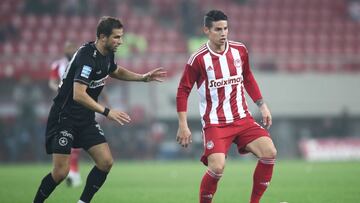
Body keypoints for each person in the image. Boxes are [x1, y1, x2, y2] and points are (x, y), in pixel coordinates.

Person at [33, 16, 166, 203]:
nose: (120, 41)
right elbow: (78, 94)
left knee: (105, 162)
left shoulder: (107, 52)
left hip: (85, 118)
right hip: (65, 117)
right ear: (103, 37)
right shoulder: (87, 57)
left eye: (121, 37)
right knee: (61, 172)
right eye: (117, 37)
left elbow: (115, 70)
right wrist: (107, 111)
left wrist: (142, 77)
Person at [176, 10, 277, 203]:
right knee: (217, 167)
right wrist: (183, 124)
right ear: (206, 30)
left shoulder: (240, 50)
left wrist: (262, 106)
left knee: (269, 152)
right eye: (218, 29)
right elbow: (183, 91)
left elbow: (247, 77)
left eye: (226, 28)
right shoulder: (198, 59)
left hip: (242, 118)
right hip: (215, 123)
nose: (223, 33)